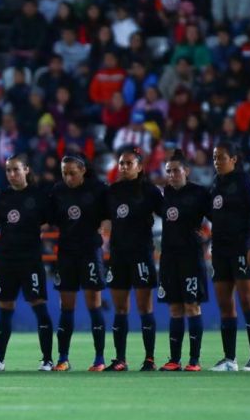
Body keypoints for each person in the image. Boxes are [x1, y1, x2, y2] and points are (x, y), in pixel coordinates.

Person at [0, 154, 54, 371]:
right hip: (6, 261)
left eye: (16, 169)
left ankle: (48, 360)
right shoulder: (0, 198)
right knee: (5, 308)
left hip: (31, 260)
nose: (12, 174)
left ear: (27, 170)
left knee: (39, 306)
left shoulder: (39, 196)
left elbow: (53, 219)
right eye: (8, 170)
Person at [104, 147, 164, 372]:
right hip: (118, 255)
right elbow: (99, 216)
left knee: (144, 307)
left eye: (129, 163)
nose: (125, 167)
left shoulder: (149, 191)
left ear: (140, 167)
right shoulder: (112, 191)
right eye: (121, 163)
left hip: (141, 254)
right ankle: (120, 359)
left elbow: (168, 214)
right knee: (120, 308)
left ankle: (149, 359)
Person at [48, 153, 107, 371]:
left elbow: (109, 214)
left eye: (72, 173)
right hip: (66, 252)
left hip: (90, 251)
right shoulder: (58, 191)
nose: (68, 177)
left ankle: (99, 359)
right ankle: (63, 358)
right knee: (66, 306)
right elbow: (50, 219)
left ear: (83, 170)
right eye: (64, 173)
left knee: (94, 304)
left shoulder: (98, 188)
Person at [209, 141, 250, 372]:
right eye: (214, 157)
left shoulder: (245, 181)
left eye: (221, 157)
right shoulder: (215, 185)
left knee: (248, 301)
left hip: (242, 249)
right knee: (225, 304)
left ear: (234, 159)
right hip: (220, 250)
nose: (217, 161)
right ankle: (229, 359)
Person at [158, 150, 211, 371]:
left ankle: (194, 360)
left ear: (186, 171)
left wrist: (206, 240)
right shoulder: (163, 195)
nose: (171, 174)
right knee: (174, 309)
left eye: (176, 170)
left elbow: (216, 216)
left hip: (191, 257)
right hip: (169, 257)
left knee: (192, 306)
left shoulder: (200, 193)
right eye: (168, 171)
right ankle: (174, 359)